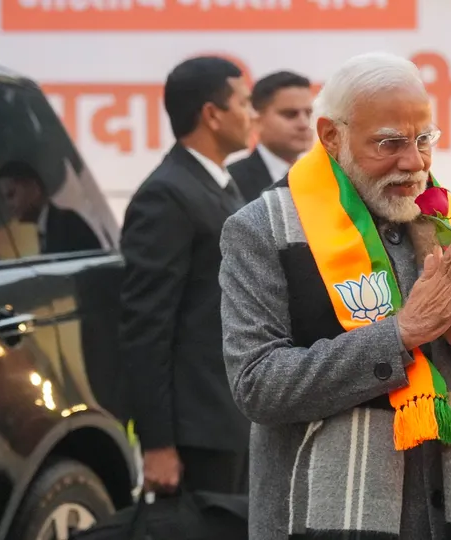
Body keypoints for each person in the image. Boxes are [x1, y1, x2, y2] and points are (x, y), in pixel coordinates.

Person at [219, 52, 451, 540]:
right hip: (323, 522)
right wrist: (400, 334)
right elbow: (258, 384)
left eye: (424, 140)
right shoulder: (263, 229)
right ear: (331, 137)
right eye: (389, 143)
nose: (414, 162)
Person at [119, 56, 253, 496]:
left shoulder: (218, 184)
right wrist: (157, 441)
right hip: (199, 431)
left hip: (235, 415)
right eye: (245, 103)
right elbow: (146, 324)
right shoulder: (166, 194)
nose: (253, 115)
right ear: (212, 114)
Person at [228, 70, 314, 201]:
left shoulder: (325, 178)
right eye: (290, 114)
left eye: (308, 113)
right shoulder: (232, 180)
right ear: (257, 120)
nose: (304, 124)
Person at [0, 161, 101, 254]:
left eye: (11, 194)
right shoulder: (46, 232)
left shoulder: (67, 223)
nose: (8, 205)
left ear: (34, 188)